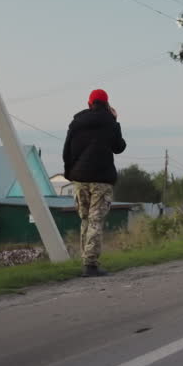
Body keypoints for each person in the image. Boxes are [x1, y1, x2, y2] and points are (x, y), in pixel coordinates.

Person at [62, 88, 126, 277]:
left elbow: (67, 151)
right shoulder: (110, 123)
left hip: (80, 179)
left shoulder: (75, 123)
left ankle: (86, 260)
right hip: (101, 180)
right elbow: (119, 147)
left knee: (85, 219)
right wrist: (115, 120)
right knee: (96, 220)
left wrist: (70, 173)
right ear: (106, 103)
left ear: (89, 103)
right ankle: (90, 265)